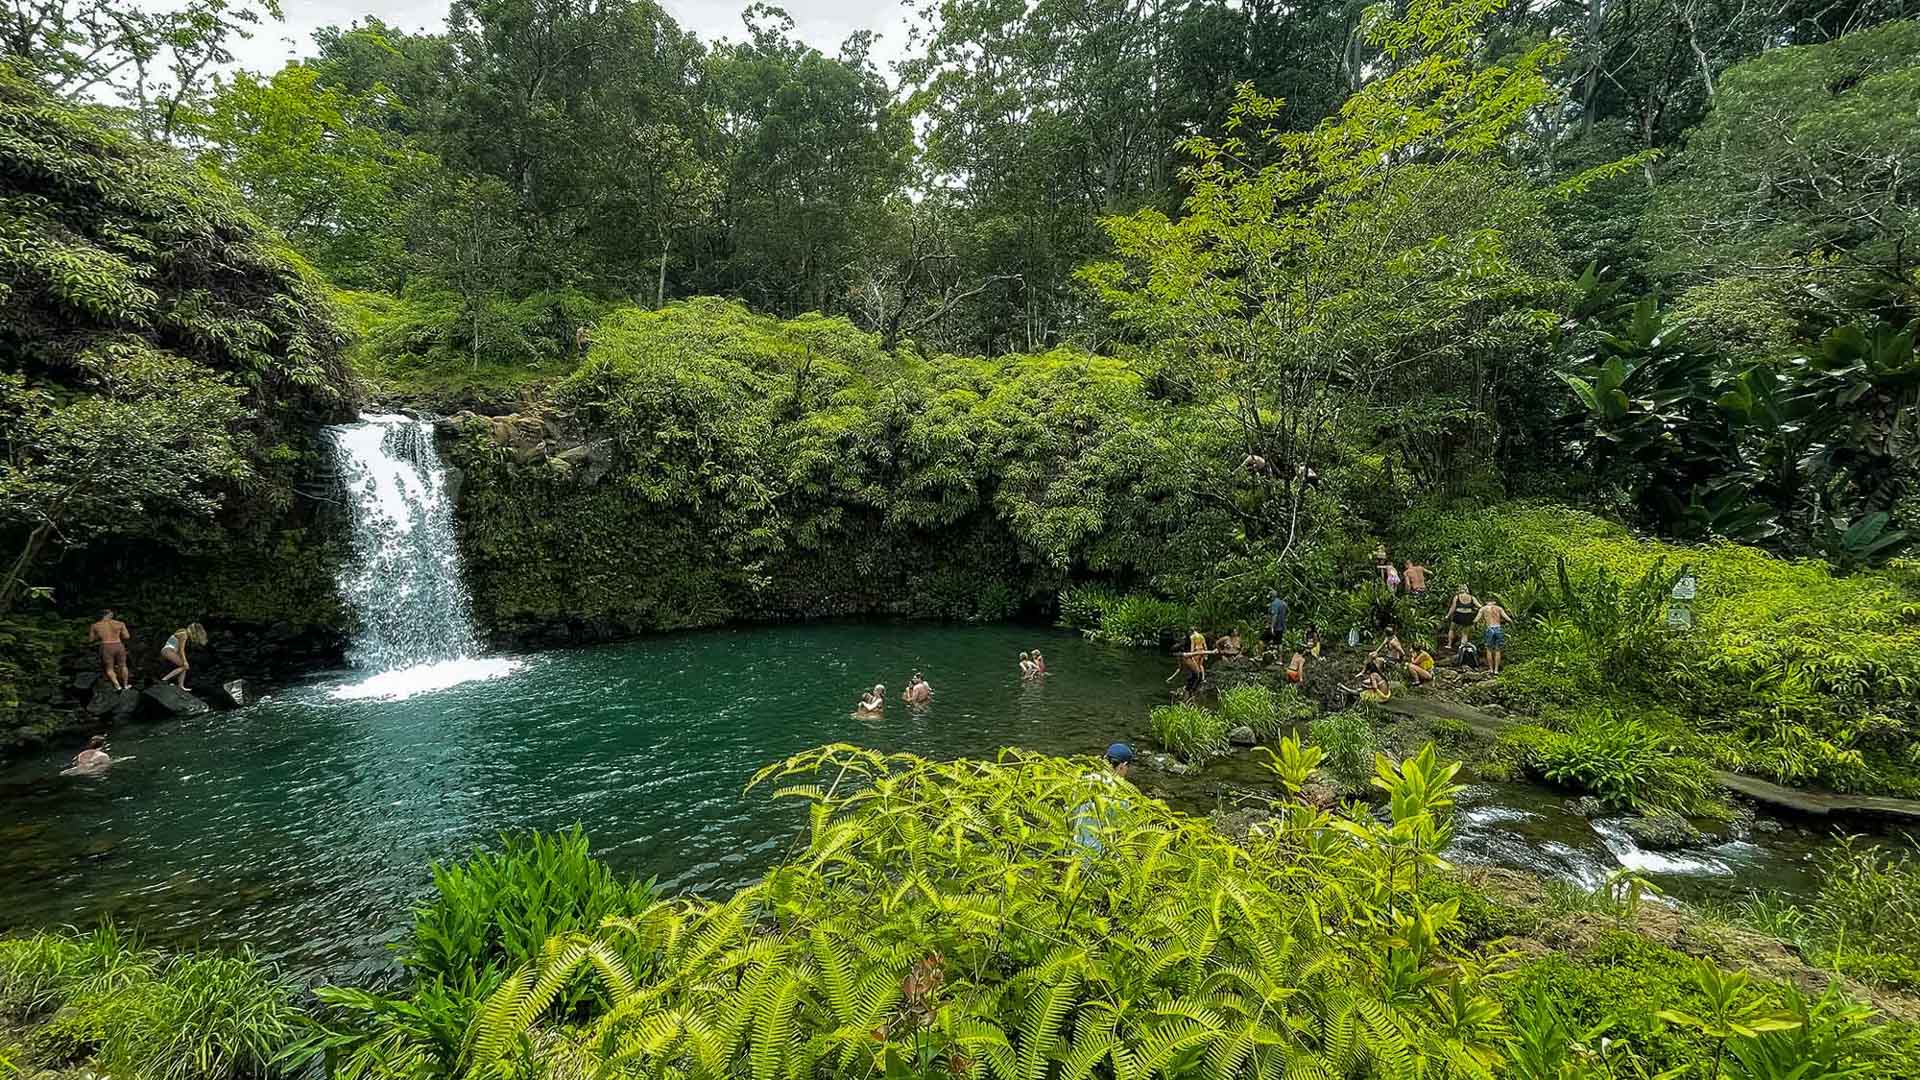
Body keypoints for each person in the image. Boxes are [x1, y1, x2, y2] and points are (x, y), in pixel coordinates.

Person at [1072, 743, 1135, 854]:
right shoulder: (1121, 795)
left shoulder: (1084, 781)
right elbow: (1122, 831)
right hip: (1099, 858)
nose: (1127, 771)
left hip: (1075, 851)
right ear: (1122, 766)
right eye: (1128, 767)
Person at [87, 610, 132, 692]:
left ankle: (117, 686)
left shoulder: (95, 625)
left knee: (109, 668)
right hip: (118, 644)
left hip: (106, 646)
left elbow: (90, 640)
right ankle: (125, 685)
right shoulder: (120, 623)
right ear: (110, 615)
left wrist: (99, 635)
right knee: (123, 665)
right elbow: (127, 636)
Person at [159, 622, 207, 691]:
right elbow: (181, 650)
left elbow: (178, 649)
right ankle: (164, 680)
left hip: (168, 651)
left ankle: (181, 685)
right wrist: (185, 661)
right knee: (184, 666)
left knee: (184, 667)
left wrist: (184, 661)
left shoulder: (183, 631)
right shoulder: (184, 635)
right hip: (168, 651)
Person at [1478, 596, 1512, 674]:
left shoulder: (1483, 609)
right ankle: (1496, 670)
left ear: (1486, 602)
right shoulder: (1499, 608)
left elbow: (1476, 619)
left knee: (1489, 650)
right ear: (1494, 602)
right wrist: (1512, 622)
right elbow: (1507, 618)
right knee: (1498, 650)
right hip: (1498, 628)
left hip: (1489, 629)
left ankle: (1491, 669)